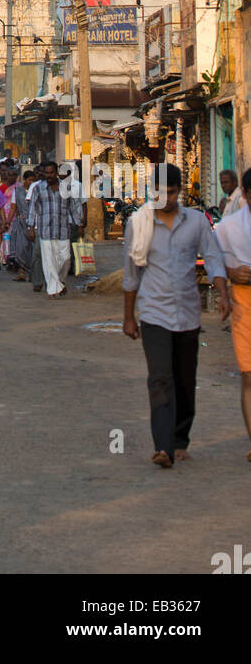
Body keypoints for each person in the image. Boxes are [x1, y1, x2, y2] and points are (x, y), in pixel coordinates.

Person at [123, 162, 229, 469]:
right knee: (160, 379)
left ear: (178, 191)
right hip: (154, 313)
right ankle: (163, 447)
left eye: (170, 192)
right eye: (159, 192)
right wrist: (128, 317)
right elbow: (131, 275)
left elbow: (213, 258)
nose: (165, 198)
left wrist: (223, 294)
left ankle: (180, 439)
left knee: (185, 380)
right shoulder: (138, 224)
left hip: (188, 314)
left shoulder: (196, 222)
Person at [215, 168, 251, 460]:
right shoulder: (229, 227)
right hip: (244, 303)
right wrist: (230, 276)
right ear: (246, 195)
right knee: (249, 376)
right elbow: (213, 261)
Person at [27, 161, 83, 298]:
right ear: (43, 173)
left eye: (52, 172)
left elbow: (73, 208)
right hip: (45, 230)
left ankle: (60, 282)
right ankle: (53, 289)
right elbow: (32, 209)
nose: (49, 175)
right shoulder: (38, 188)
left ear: (56, 172)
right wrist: (31, 227)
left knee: (65, 259)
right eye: (46, 173)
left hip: (63, 229)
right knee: (49, 262)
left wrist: (79, 225)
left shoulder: (66, 187)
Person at [8, 168, 34, 282]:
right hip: (21, 222)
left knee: (32, 248)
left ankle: (33, 273)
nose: (31, 182)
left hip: (34, 222)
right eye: (29, 180)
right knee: (21, 247)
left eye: (33, 180)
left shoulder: (36, 190)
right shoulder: (17, 190)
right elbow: (13, 207)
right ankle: (22, 272)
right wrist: (8, 222)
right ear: (24, 180)